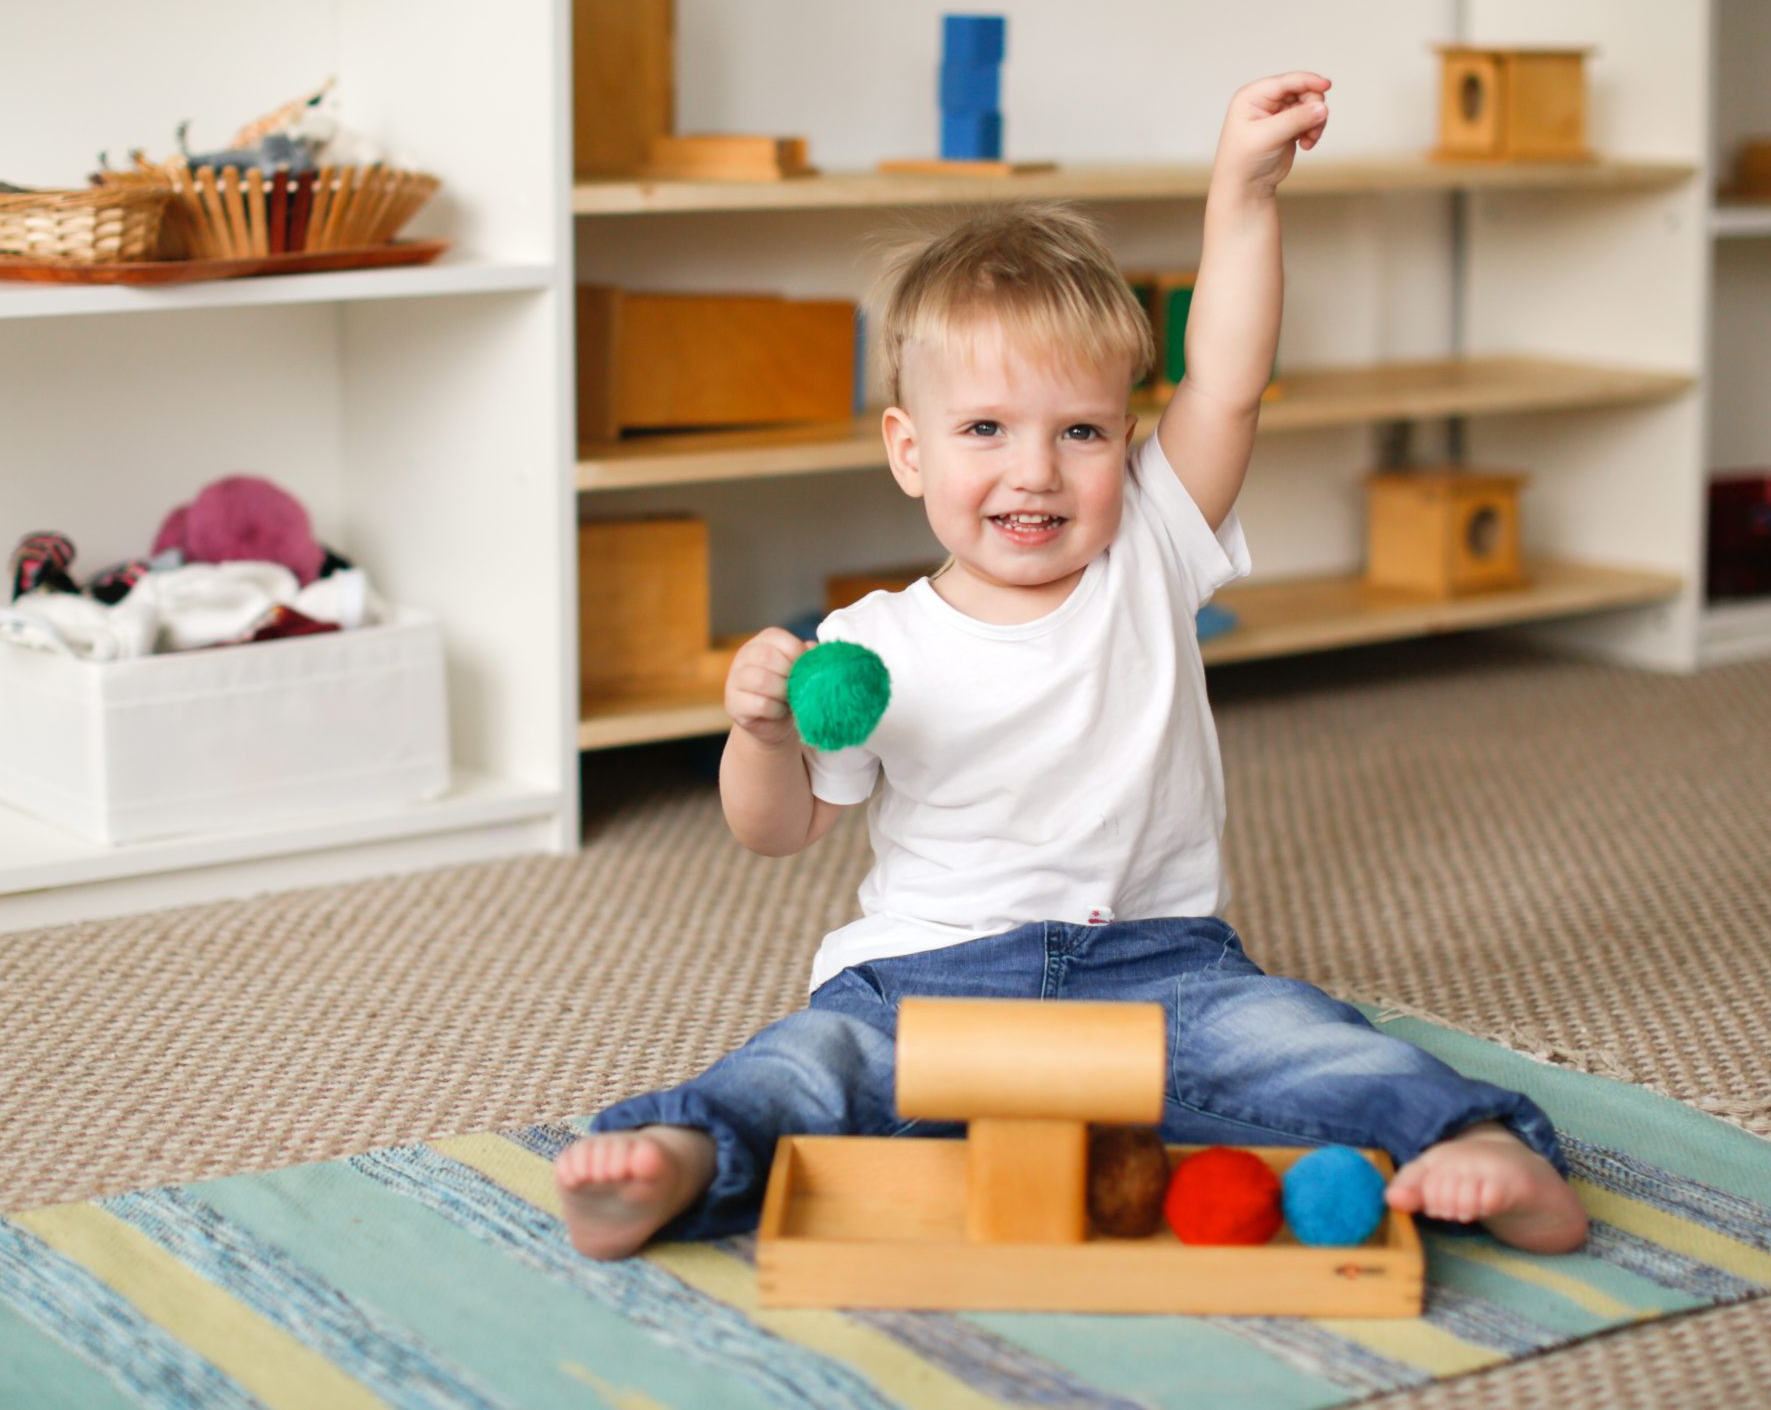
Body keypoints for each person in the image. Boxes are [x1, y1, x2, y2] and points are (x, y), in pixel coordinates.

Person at [556, 72, 1589, 1261]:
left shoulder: (1151, 546)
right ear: (909, 449)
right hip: (924, 976)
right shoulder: (865, 643)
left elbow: (1230, 381)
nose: (1035, 471)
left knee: (1313, 1045)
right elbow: (777, 832)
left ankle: (1481, 1145)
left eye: (1081, 432)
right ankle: (678, 1156)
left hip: (1160, 965)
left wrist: (1240, 194)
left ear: (1128, 442)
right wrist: (759, 735)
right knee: (807, 1065)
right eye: (985, 429)